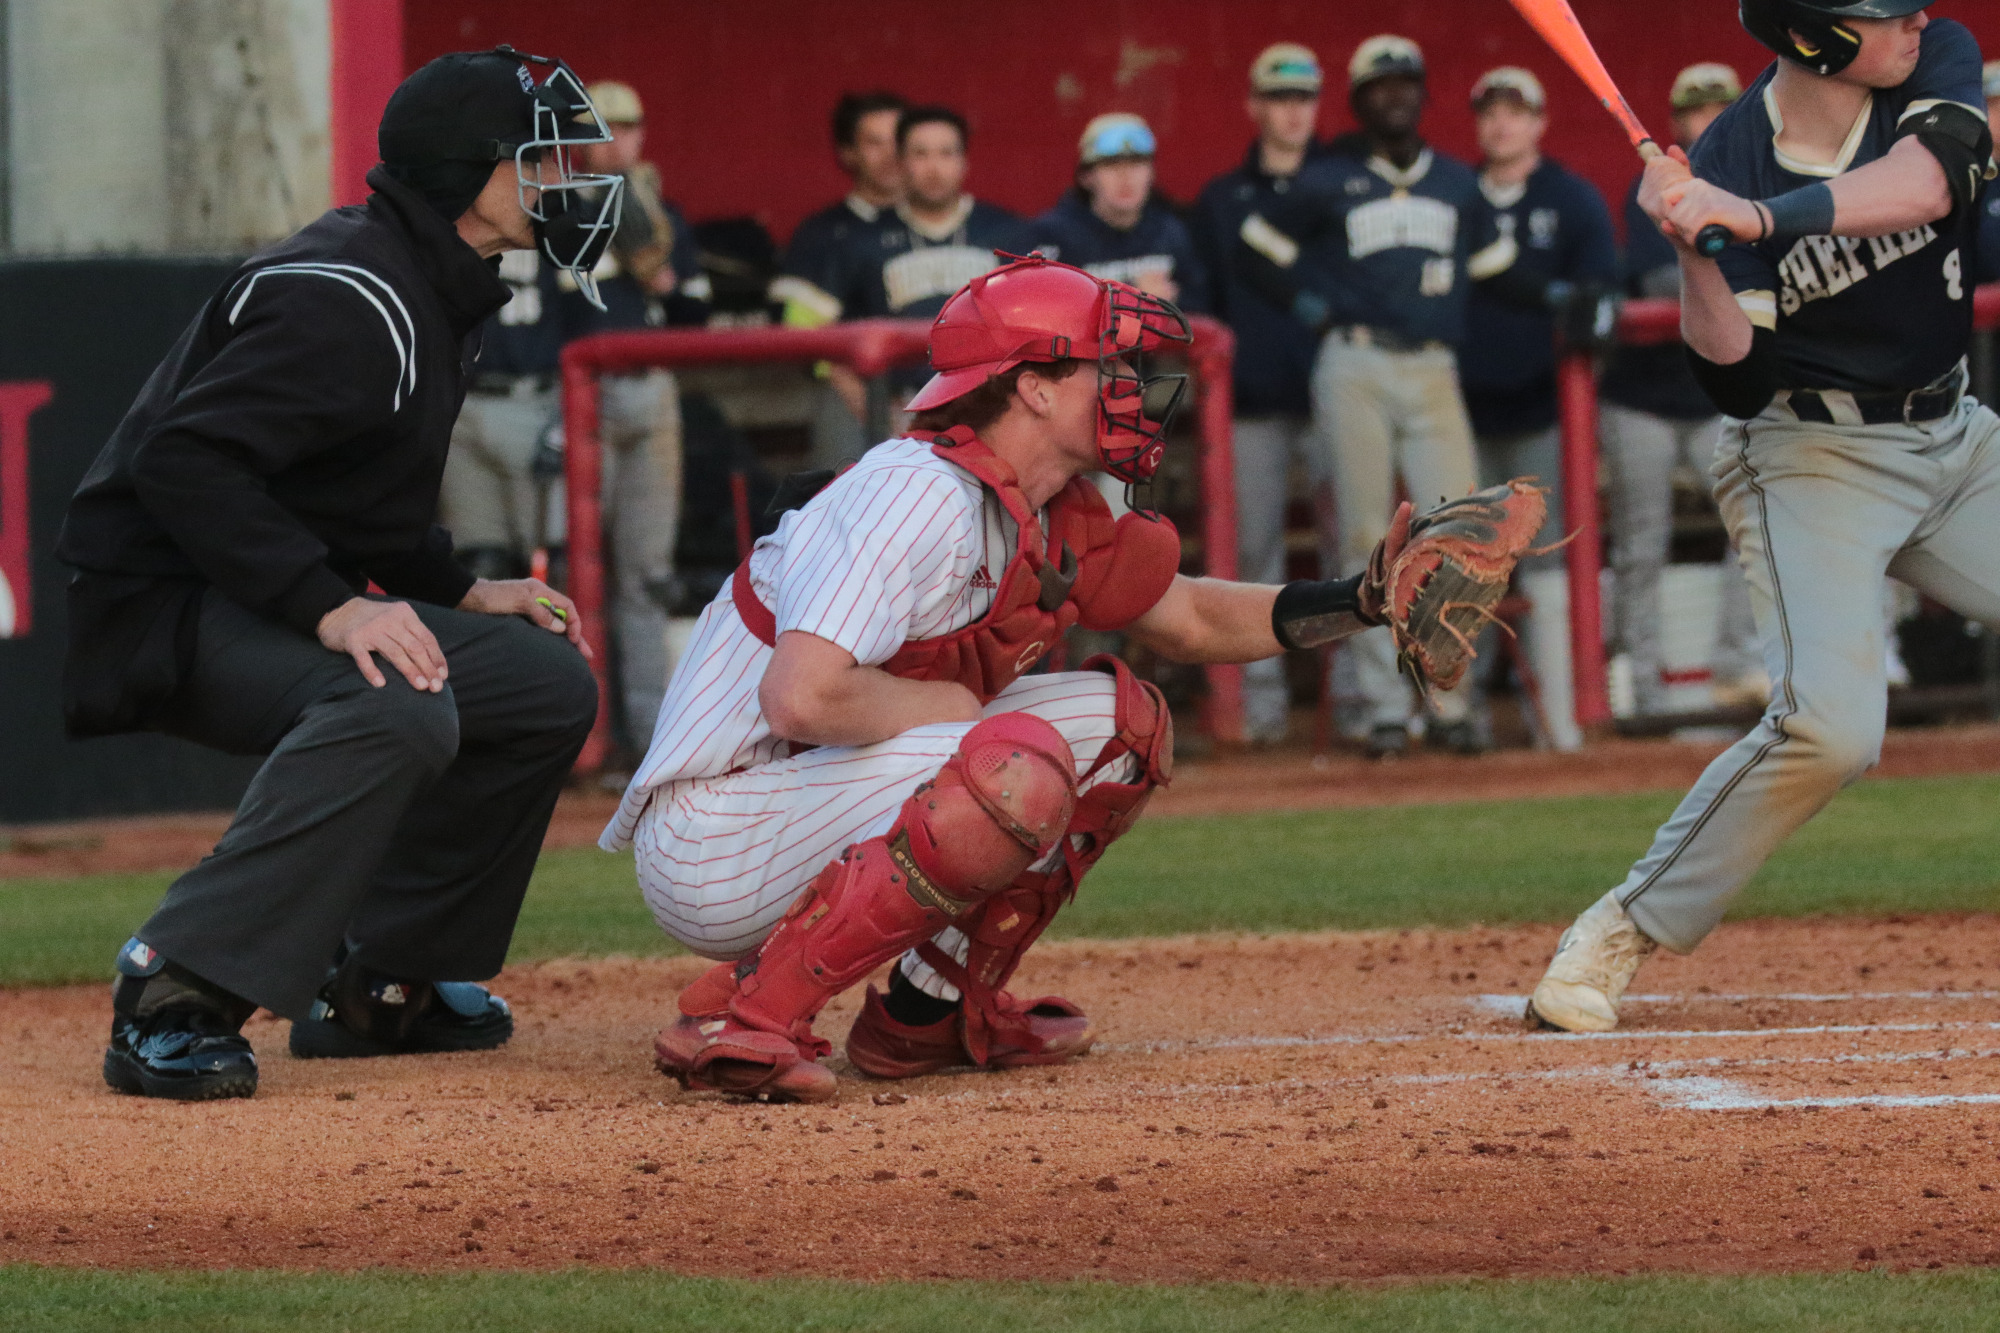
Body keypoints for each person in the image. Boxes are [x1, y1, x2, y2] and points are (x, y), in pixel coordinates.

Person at [603, 255, 1444, 1102]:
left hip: (807, 796)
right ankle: (748, 1014)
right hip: (715, 834)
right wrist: (952, 708)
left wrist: (1363, 600)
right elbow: (802, 695)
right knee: (1016, 761)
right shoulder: (915, 493)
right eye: (1104, 364)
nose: (1128, 384)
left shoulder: (1049, 501)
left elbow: (1189, 618)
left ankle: (925, 1013)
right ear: (1033, 386)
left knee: (1125, 723)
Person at [55, 47, 607, 1099]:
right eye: (537, 158)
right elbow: (183, 462)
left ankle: (379, 976)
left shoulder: (428, 275)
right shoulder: (348, 292)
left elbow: (359, 496)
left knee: (544, 683)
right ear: (470, 173)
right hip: (163, 601)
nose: (561, 178)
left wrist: (451, 590)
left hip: (247, 586)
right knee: (399, 701)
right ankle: (174, 986)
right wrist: (332, 610)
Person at [1527, 2, 1999, 1033]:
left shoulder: (1933, 58)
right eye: (1886, 11)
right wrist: (1694, 241)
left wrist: (1754, 219)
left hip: (1954, 437)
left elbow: (1934, 179)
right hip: (1811, 455)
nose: (1917, 18)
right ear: (1816, 35)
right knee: (1831, 730)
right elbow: (1736, 382)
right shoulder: (1729, 153)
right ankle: (1619, 927)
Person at [1234, 35, 1496, 757]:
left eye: (1406, 82)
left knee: (1460, 532)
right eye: (1380, 85)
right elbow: (1252, 242)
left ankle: (1449, 699)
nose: (1395, 95)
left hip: (1435, 365)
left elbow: (1493, 268)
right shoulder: (1329, 175)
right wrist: (1309, 304)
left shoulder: (1456, 183)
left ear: (1423, 93)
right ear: (1357, 101)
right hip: (1353, 362)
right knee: (1363, 535)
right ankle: (1383, 704)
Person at [1458, 67, 1620, 751]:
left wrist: (1575, 306)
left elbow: (1602, 300)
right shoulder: (1455, 197)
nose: (1502, 124)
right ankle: (1456, 717)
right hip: (1461, 411)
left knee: (1551, 566)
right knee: (1458, 566)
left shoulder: (1572, 198)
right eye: (1490, 112)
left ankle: (1562, 722)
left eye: (1516, 111)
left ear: (1540, 121)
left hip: (1546, 409)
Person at [1597, 63, 1763, 717]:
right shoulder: (1654, 187)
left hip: (1715, 398)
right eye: (1697, 111)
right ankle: (1642, 689)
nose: (1711, 119)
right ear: (1676, 125)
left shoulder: (1755, 184)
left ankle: (1739, 664)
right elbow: (1663, 285)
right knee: (1642, 544)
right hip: (1643, 397)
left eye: (1722, 107)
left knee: (1754, 526)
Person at [561, 79, 710, 758]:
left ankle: (650, 742)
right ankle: (574, 739)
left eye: (627, 127)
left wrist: (660, 272)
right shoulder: (551, 209)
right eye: (601, 128)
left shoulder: (663, 209)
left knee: (645, 576)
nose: (616, 140)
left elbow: (695, 316)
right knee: (573, 573)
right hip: (573, 398)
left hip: (648, 392)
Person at [1191, 43, 1335, 744]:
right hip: (1250, 404)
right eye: (1278, 97)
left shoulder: (1346, 183)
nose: (1291, 111)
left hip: (1340, 397)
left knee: (1361, 550)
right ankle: (1262, 717)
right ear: (1254, 106)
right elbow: (1202, 309)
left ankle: (1372, 711)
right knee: (1253, 562)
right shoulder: (1220, 201)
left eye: (1303, 96)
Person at [772, 91, 907, 466]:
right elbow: (802, 337)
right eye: (874, 142)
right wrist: (873, 408)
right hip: (854, 401)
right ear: (848, 153)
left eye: (898, 140)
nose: (891, 154)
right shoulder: (821, 234)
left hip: (937, 401)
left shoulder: (931, 227)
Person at [1030, 113, 1209, 313]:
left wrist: (1173, 299)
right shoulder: (1053, 236)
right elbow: (1038, 313)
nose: (1126, 177)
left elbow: (1201, 309)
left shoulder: (1171, 230)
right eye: (1111, 164)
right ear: (1086, 177)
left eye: (1136, 163)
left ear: (1152, 173)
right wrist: (1128, 301)